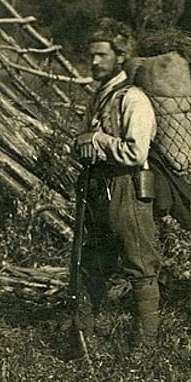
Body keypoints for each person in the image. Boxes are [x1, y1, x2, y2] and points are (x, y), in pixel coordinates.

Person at [72, 18, 161, 351]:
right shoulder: (99, 97)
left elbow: (136, 152)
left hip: (128, 188)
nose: (94, 62)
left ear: (120, 56)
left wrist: (99, 141)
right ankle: (85, 340)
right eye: (91, 56)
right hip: (99, 189)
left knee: (140, 266)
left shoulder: (133, 99)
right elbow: (85, 139)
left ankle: (146, 348)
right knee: (92, 262)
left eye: (101, 56)